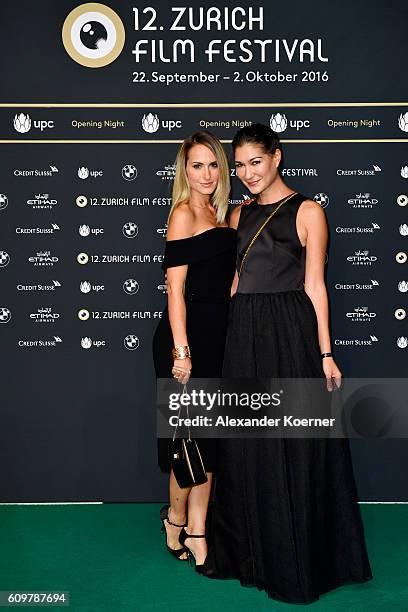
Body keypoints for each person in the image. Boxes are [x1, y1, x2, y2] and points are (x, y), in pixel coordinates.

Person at [208, 124, 372, 603]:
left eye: (255, 162)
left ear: (277, 157)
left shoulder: (308, 211)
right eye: (238, 165)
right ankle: (253, 553)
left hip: (289, 331)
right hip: (244, 331)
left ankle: (299, 556)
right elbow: (235, 284)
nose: (246, 173)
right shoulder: (237, 215)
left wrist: (325, 353)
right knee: (248, 443)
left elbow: (316, 287)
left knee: (295, 439)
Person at [152, 131, 236, 570]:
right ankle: (176, 520)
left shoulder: (221, 215)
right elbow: (175, 290)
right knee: (189, 443)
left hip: (219, 337)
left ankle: (199, 532)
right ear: (184, 172)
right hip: (186, 339)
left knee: (211, 443)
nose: (205, 173)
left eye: (212, 164)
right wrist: (181, 351)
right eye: (196, 165)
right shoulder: (184, 214)